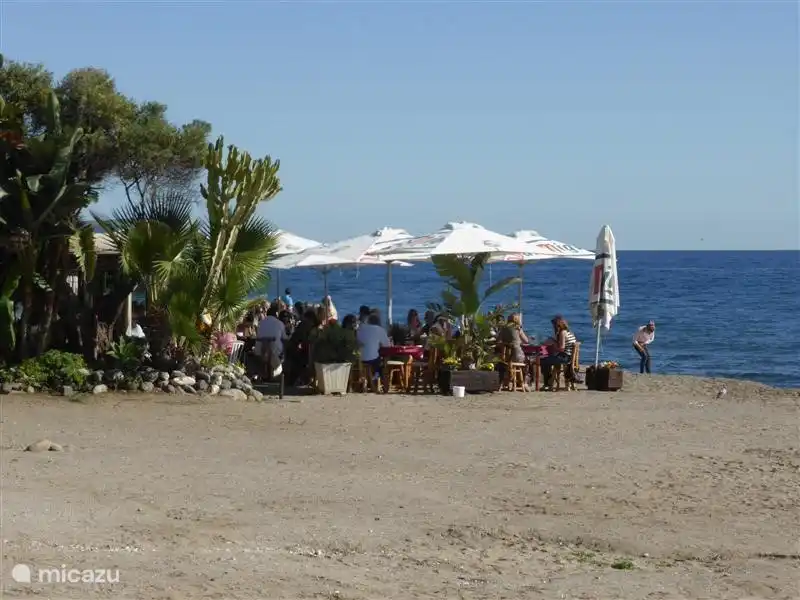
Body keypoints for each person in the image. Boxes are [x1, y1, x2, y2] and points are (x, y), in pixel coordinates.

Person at [539, 315, 578, 390]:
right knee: (548, 359)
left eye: (554, 326)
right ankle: (549, 380)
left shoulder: (562, 333)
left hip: (564, 357)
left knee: (543, 360)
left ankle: (548, 382)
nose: (553, 328)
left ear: (558, 325)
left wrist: (553, 344)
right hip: (570, 357)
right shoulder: (570, 332)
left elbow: (562, 348)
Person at [356, 312, 391, 377]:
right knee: (382, 363)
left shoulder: (360, 329)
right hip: (372, 360)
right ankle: (379, 378)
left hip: (359, 360)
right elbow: (387, 345)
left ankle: (371, 379)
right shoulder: (379, 329)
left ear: (368, 321)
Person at [255, 305, 287, 375]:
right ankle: (276, 374)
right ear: (276, 313)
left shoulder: (261, 322)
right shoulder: (279, 323)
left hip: (259, 351)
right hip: (274, 352)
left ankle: (264, 373)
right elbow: (284, 338)